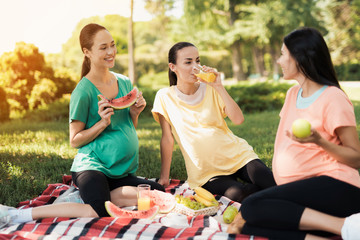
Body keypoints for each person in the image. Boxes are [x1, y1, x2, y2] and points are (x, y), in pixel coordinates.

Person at [0, 23, 164, 227]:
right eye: (103, 48)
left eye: (112, 45)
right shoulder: (83, 91)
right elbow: (74, 140)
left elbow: (127, 127)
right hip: (92, 167)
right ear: (87, 52)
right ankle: (18, 215)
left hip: (120, 170)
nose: (111, 52)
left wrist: (134, 113)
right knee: (97, 211)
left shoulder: (124, 82)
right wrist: (102, 123)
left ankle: (89, 197)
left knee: (158, 193)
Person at [227, 27, 360, 240]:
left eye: (282, 54)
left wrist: (319, 141)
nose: (278, 60)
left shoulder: (333, 97)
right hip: (303, 197)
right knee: (249, 224)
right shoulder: (292, 94)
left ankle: (347, 226)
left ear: (300, 57)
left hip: (337, 187)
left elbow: (356, 158)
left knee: (252, 205)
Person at [152, 42, 276, 203]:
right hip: (206, 173)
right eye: (188, 62)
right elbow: (167, 139)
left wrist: (219, 86)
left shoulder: (211, 89)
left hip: (238, 156)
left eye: (198, 60)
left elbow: (238, 119)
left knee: (273, 183)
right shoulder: (164, 96)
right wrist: (164, 177)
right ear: (173, 67)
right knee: (242, 194)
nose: (195, 66)